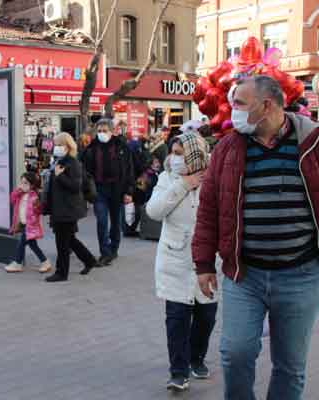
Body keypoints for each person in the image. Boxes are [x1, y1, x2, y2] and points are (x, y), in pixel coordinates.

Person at [193, 75, 319, 400]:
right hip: (243, 275)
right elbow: (208, 207)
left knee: (290, 366)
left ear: (266, 106)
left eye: (239, 104)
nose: (232, 111)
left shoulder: (312, 142)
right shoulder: (227, 148)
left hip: (300, 275)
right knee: (235, 354)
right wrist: (203, 263)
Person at [147, 131, 217, 392]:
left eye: (180, 154)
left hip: (206, 263)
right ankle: (178, 372)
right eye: (173, 153)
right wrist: (182, 185)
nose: (175, 159)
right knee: (176, 318)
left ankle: (196, 358)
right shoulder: (167, 178)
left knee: (205, 317)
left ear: (195, 155)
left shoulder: (213, 179)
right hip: (175, 260)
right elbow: (154, 211)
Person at [43, 132, 99, 282]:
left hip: (68, 208)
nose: (57, 147)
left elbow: (75, 186)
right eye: (56, 145)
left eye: (60, 145)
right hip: (61, 207)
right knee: (69, 239)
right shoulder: (60, 161)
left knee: (62, 242)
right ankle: (89, 260)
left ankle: (62, 273)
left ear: (68, 146)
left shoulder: (72, 163)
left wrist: (60, 176)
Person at [82, 118, 135, 265]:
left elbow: (129, 170)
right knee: (102, 220)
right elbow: (85, 169)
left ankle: (114, 248)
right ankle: (104, 252)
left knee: (116, 222)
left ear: (112, 131)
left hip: (117, 189)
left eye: (104, 131)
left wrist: (129, 192)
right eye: (99, 131)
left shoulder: (122, 147)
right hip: (99, 190)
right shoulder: (91, 148)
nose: (101, 133)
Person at [5, 172, 51, 274]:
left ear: (32, 185)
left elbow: (38, 211)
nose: (22, 185)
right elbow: (12, 200)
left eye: (25, 183)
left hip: (30, 225)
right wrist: (18, 191)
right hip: (23, 224)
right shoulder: (20, 195)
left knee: (21, 243)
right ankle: (45, 262)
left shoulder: (34, 196)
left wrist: (38, 206)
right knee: (32, 245)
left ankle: (17, 263)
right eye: (21, 183)